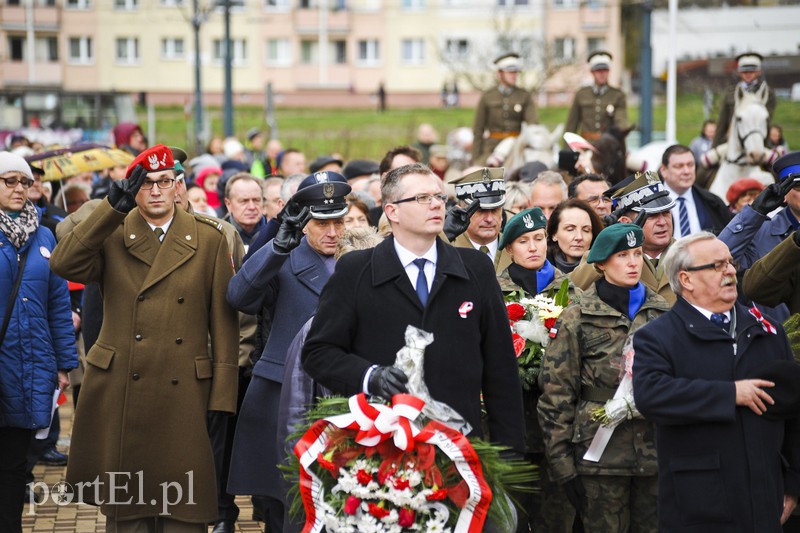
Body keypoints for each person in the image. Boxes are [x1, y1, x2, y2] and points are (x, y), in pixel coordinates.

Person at [48, 145, 239, 531]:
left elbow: (224, 323)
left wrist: (223, 393)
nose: (155, 190)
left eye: (164, 182)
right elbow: (64, 263)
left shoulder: (210, 237)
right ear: (133, 189)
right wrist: (110, 207)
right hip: (122, 387)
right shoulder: (112, 231)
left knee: (184, 512)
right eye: (146, 183)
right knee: (129, 514)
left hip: (185, 387)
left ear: (177, 187)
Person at [301, 161, 525, 450]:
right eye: (422, 198)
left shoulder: (475, 269)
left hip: (460, 445)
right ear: (392, 211)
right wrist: (370, 376)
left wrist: (509, 456)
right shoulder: (356, 271)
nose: (435, 205)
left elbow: (501, 368)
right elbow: (319, 353)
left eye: (439, 197)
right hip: (382, 445)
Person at [633, 232, 800, 531]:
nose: (730, 271)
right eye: (717, 265)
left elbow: (794, 410)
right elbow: (651, 395)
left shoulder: (767, 330)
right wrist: (730, 394)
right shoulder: (658, 336)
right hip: (699, 501)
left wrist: (793, 483)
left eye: (731, 263)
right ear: (686, 279)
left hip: (765, 497)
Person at [225, 171, 351, 533]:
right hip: (284, 396)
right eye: (321, 222)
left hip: (344, 397)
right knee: (287, 508)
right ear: (304, 223)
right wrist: (277, 246)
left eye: (338, 221)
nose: (332, 232)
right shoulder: (283, 256)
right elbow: (239, 297)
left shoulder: (360, 258)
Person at [538, 223, 668, 532]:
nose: (633, 263)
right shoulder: (577, 315)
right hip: (598, 456)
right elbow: (556, 394)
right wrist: (562, 465)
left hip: (654, 455)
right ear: (601, 264)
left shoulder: (661, 313)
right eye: (622, 255)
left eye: (637, 254)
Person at [0, 152, 76, 533]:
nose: (19, 189)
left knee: (17, 463)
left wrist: (63, 364)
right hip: (2, 363)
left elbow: (58, 304)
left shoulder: (44, 234)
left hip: (32, 366)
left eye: (23, 182)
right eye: (8, 181)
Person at [496, 207, 578, 532]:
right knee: (509, 520)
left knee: (557, 521)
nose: (533, 247)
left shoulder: (572, 293)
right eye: (523, 241)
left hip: (559, 431)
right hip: (509, 426)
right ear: (508, 249)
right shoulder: (492, 293)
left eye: (539, 238)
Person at [570, 172, 677, 305]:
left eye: (666, 213)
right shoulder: (609, 255)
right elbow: (570, 289)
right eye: (652, 215)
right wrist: (610, 244)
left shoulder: (688, 253)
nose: (662, 222)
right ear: (626, 222)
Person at [717, 151, 800, 323]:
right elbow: (718, 256)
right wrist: (755, 212)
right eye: (799, 188)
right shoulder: (762, 231)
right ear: (784, 193)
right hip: (777, 333)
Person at [472, 53, 538, 165]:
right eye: (510, 72)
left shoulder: (524, 96)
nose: (514, 75)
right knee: (480, 172)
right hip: (491, 148)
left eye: (516, 72)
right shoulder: (488, 96)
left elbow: (533, 125)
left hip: (517, 147)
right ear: (499, 73)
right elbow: (478, 130)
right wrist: (476, 158)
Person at [447, 167, 512, 273]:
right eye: (480, 210)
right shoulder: (447, 249)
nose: (489, 219)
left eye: (495, 210)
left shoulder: (517, 246)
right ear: (461, 210)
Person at [660, 144, 731, 238]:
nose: (686, 171)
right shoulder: (648, 204)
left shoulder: (713, 202)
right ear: (664, 170)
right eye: (679, 166)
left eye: (690, 165)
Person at [712, 52, 776, 148]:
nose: (748, 74)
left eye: (751, 71)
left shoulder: (767, 93)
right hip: (732, 142)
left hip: (759, 141)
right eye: (744, 72)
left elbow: (766, 120)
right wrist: (715, 146)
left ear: (759, 72)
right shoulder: (731, 93)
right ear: (739, 72)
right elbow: (722, 121)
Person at [565, 51, 628, 142]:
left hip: (609, 146)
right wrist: (567, 150)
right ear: (592, 72)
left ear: (609, 71)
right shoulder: (581, 94)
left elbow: (621, 121)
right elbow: (572, 124)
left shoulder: (618, 95)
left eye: (605, 70)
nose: (602, 74)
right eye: (598, 71)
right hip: (586, 145)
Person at [546, 199, 604, 274]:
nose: (579, 237)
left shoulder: (605, 269)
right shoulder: (540, 269)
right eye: (570, 229)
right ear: (554, 234)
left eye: (586, 230)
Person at [223, 173, 266, 251]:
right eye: (244, 201)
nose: (252, 207)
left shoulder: (275, 234)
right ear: (228, 204)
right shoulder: (218, 236)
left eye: (256, 200)